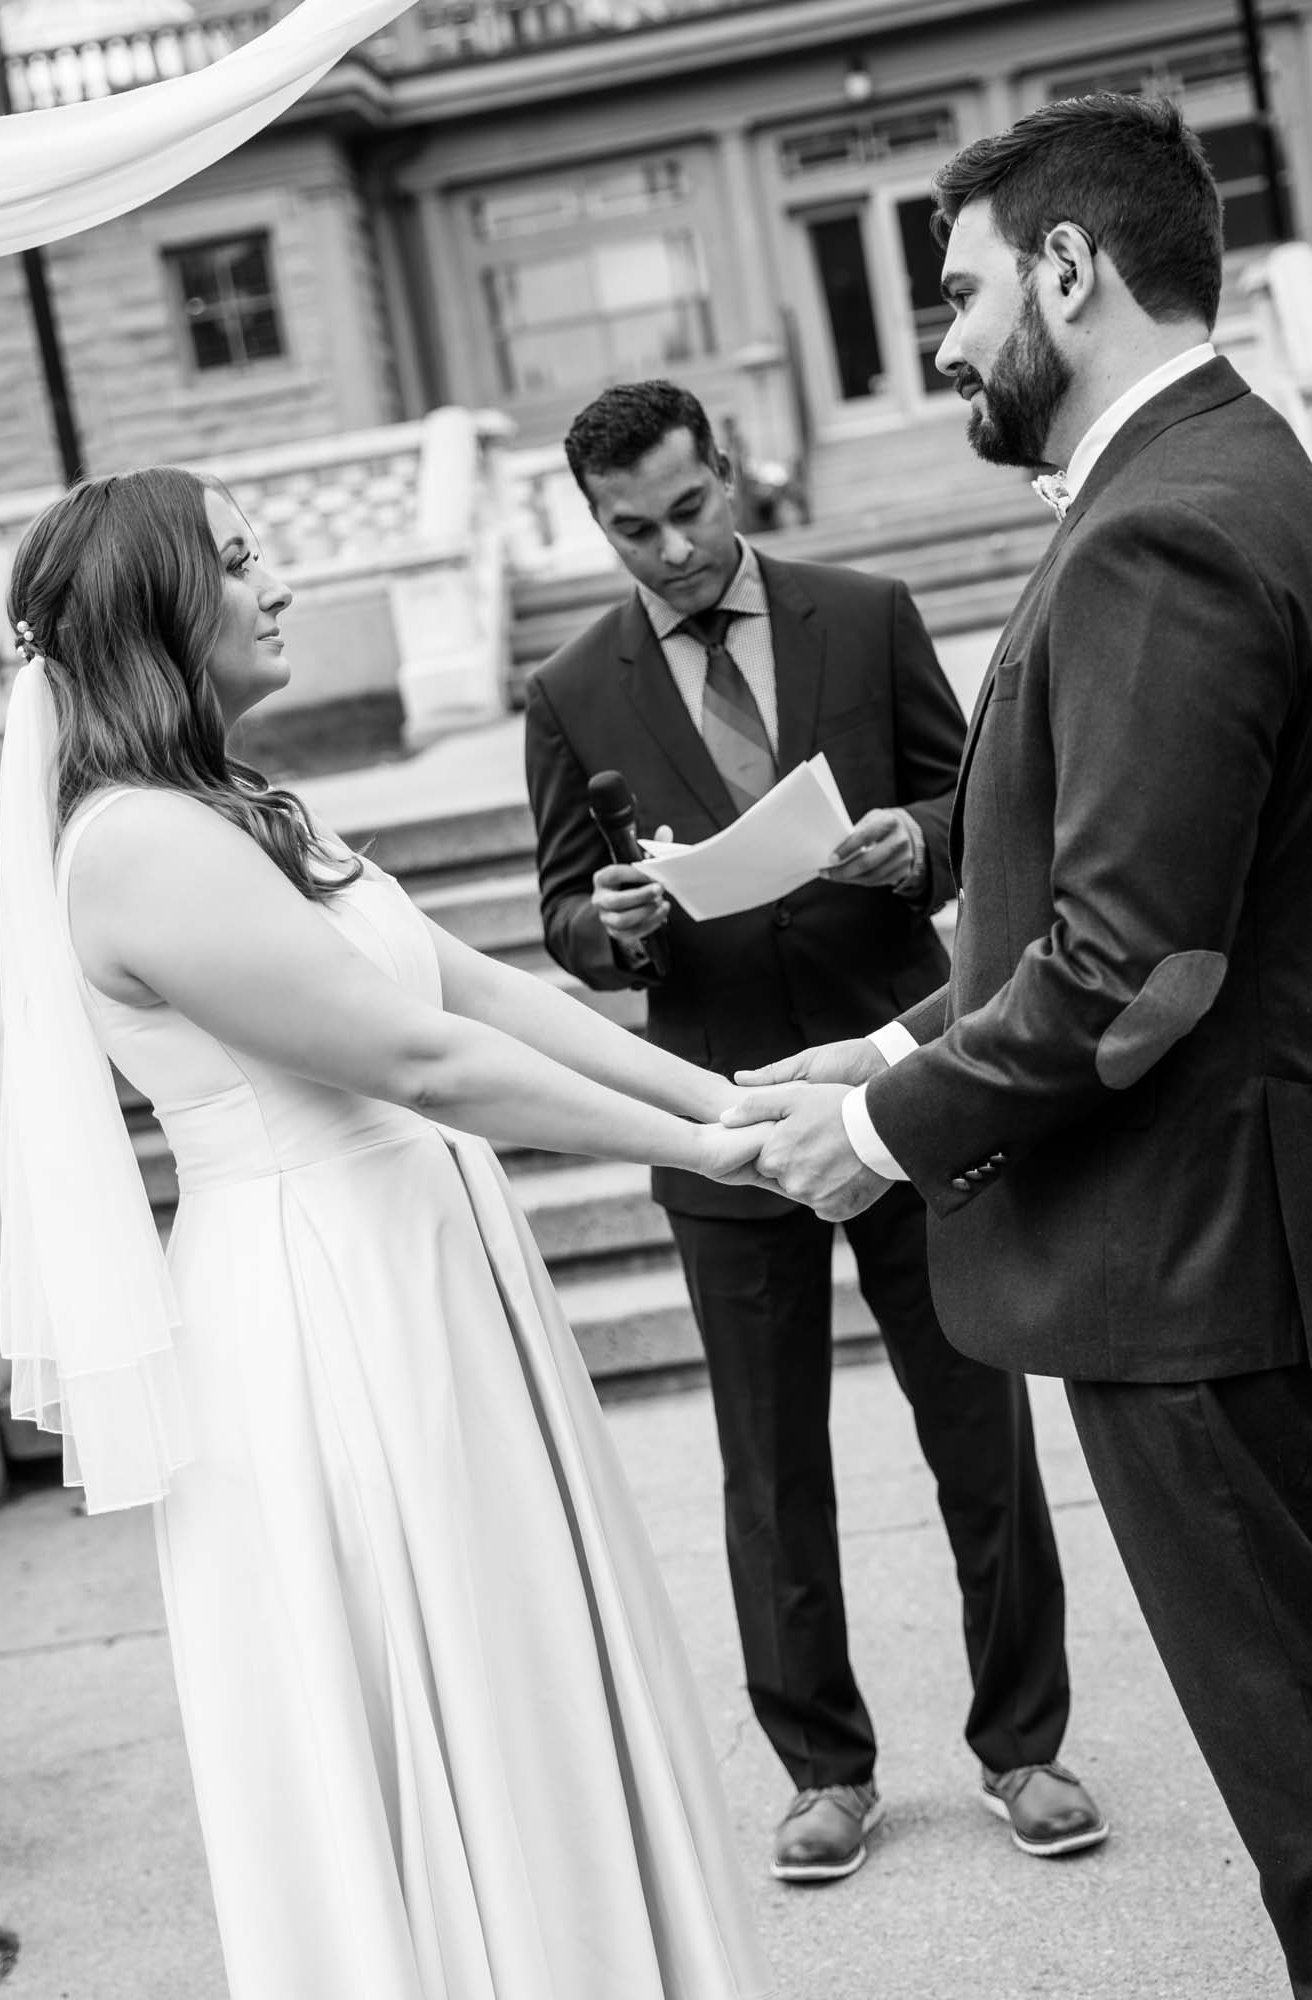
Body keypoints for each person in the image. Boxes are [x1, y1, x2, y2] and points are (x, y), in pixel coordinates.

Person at [0, 467, 779, 2000]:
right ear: (156, 613)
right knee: (442, 1682)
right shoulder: (139, 847)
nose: (277, 581)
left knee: (515, 1665)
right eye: (236, 561)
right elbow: (414, 1061)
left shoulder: (238, 804)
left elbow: (467, 988)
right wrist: (702, 1156)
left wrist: (729, 1095)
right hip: (323, 1306)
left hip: (409, 1263)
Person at [724, 93, 1312, 1993]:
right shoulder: (1223, 476)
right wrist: (888, 1035)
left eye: (964, 290)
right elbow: (1096, 898)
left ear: (1071, 270)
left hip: (1211, 1277)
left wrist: (887, 1129)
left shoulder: (1168, 528)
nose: (945, 341)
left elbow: (1138, 969)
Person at [523, 379, 1104, 1883]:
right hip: (718, 1123)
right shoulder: (570, 685)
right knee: (767, 1467)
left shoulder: (863, 609)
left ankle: (1023, 1746)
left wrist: (917, 839)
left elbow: (978, 806)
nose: (669, 549)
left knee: (976, 1430)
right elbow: (564, 915)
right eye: (629, 529)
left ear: (733, 473)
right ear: (592, 524)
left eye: (689, 507)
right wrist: (615, 922)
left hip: (904, 1087)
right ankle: (821, 1773)